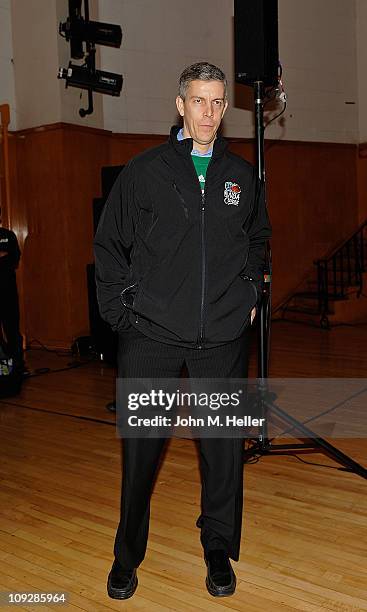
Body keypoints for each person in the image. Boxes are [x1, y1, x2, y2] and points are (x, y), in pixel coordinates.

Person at [94, 61, 271, 600]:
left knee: (222, 451)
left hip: (220, 334)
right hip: (151, 335)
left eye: (218, 102)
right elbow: (109, 245)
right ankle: (127, 554)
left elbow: (258, 240)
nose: (210, 114)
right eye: (199, 101)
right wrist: (122, 311)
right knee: (141, 453)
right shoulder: (144, 171)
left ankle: (218, 547)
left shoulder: (241, 176)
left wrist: (249, 294)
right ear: (180, 105)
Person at [0, 226, 24, 371]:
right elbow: (6, 257)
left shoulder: (8, 235)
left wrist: (6, 257)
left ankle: (18, 366)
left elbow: (14, 258)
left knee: (12, 329)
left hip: (8, 291)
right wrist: (2, 255)